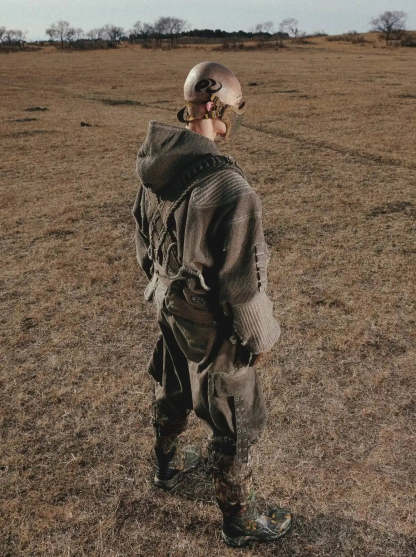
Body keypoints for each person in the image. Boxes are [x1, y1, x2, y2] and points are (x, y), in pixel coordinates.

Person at [133, 61, 292, 548]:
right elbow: (242, 285)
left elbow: (143, 244)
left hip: (168, 303)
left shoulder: (157, 167)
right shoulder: (229, 187)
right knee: (238, 415)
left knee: (173, 383)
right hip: (208, 320)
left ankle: (166, 466)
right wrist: (260, 338)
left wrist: (164, 289)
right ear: (216, 107)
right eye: (233, 109)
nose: (233, 119)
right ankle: (238, 520)